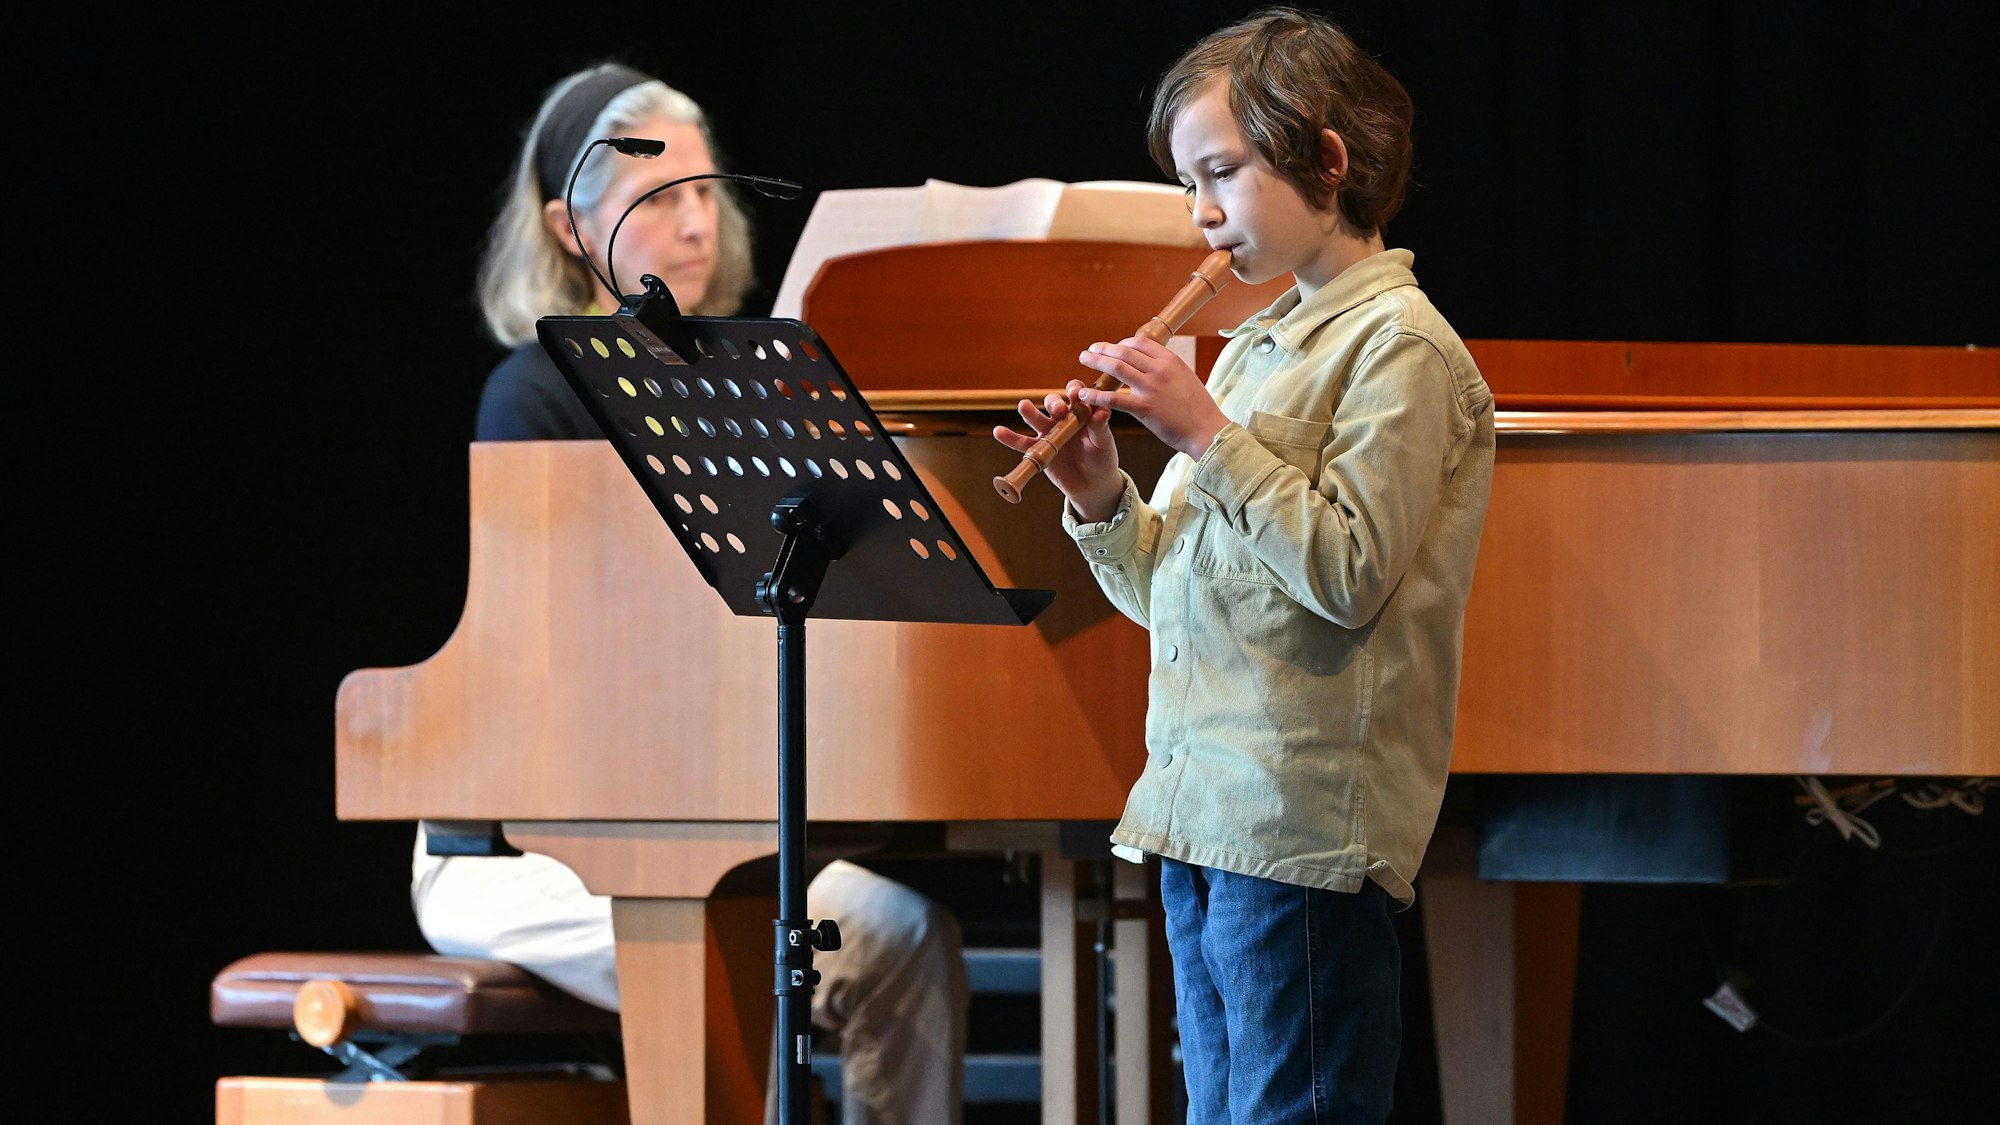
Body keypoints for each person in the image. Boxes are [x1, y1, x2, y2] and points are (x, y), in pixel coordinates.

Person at [411, 60, 968, 1125]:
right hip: (520, 850)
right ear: (568, 229)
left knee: (905, 938)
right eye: (656, 197)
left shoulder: (742, 388)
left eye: (706, 190)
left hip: (683, 811)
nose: (696, 221)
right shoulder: (532, 392)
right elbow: (546, 655)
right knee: (859, 941)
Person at [993, 8, 1495, 1122]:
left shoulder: (1399, 348)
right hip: (1200, 811)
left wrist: (1204, 436)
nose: (1201, 212)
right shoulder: (1257, 348)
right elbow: (1176, 599)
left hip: (1300, 828)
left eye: (1221, 170)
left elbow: (1349, 572)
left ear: (1326, 159)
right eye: (1186, 183)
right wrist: (1098, 499)